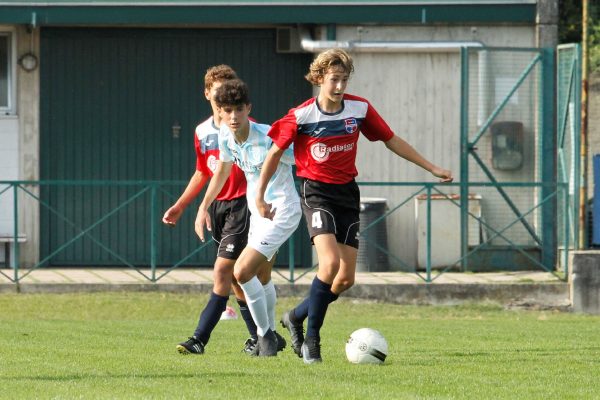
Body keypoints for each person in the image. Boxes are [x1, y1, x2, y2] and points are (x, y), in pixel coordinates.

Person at [255, 48, 454, 364]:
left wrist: (431, 168)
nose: (339, 87)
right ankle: (312, 341)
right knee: (329, 263)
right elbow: (274, 154)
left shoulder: (359, 109)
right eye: (334, 79)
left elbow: (391, 139)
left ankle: (295, 316)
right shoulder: (303, 115)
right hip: (316, 192)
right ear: (320, 78)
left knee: (344, 279)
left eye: (344, 80)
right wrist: (260, 196)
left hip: (347, 194)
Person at [162, 65, 284, 355]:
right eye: (218, 91)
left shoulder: (247, 127)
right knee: (237, 282)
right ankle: (263, 337)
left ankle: (199, 339)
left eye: (231, 88)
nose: (225, 97)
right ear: (208, 94)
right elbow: (203, 172)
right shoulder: (202, 132)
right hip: (219, 206)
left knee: (223, 272)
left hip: (243, 204)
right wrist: (183, 205)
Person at [195, 78, 301, 357]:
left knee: (241, 272)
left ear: (248, 108)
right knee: (263, 276)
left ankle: (265, 337)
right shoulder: (225, 138)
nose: (232, 116)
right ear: (219, 110)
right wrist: (203, 205)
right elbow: (222, 172)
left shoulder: (268, 136)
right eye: (226, 110)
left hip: (282, 212)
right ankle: (272, 337)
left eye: (238, 110)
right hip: (259, 215)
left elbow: (303, 158)